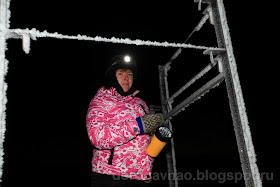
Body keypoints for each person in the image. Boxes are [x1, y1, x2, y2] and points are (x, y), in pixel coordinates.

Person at [86, 55, 164, 187]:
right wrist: (139, 125)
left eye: (130, 74)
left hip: (141, 175)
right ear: (112, 76)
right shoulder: (102, 100)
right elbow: (97, 136)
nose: (126, 78)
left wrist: (156, 136)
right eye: (120, 73)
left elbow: (143, 138)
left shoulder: (140, 103)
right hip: (111, 175)